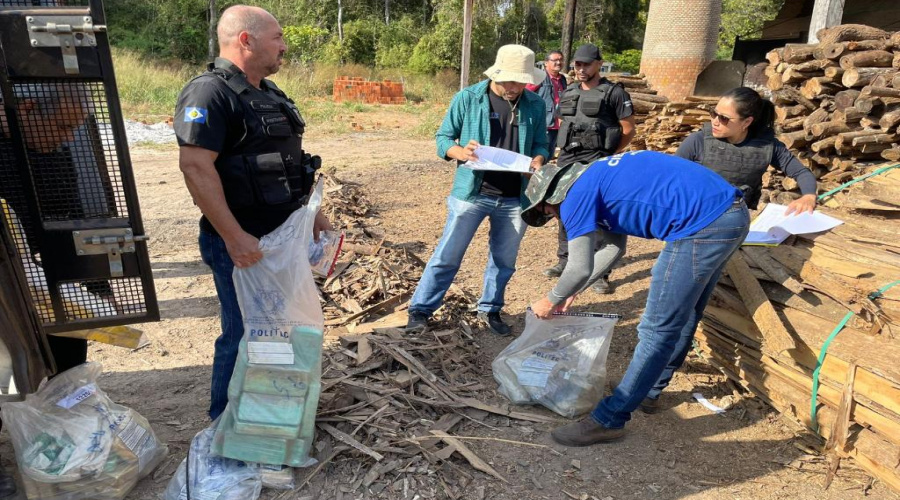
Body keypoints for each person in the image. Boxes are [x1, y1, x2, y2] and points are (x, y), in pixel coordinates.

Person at [521, 150, 750, 446]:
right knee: (686, 312)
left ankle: (609, 420)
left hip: (701, 226)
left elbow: (578, 265)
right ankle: (650, 390)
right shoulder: (595, 177)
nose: (554, 218)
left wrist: (551, 298)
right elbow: (614, 250)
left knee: (656, 330)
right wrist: (573, 291)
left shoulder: (574, 196)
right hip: (729, 213)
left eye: (547, 213)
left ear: (551, 199)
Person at [174, 5, 331, 420]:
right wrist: (232, 236)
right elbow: (195, 166)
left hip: (280, 240)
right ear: (246, 40)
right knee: (243, 332)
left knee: (279, 329)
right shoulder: (209, 93)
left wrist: (308, 213)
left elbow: (283, 162)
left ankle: (265, 413)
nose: (284, 46)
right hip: (243, 243)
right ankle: (224, 424)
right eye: (277, 37)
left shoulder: (268, 93)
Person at [404, 44, 549, 336]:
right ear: (496, 73)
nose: (515, 87)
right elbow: (443, 138)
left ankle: (490, 309)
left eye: (521, 82)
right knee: (448, 255)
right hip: (472, 193)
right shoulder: (468, 98)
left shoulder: (535, 104)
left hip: (514, 198)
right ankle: (420, 310)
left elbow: (541, 143)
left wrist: (538, 158)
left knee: (504, 261)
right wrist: (460, 152)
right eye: (510, 80)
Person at [543, 44, 635, 295]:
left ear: (598, 64)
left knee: (598, 215)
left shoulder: (614, 93)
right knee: (564, 212)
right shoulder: (569, 91)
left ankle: (599, 272)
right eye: (577, 64)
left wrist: (610, 156)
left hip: (597, 162)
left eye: (586, 64)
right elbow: (563, 122)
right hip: (568, 162)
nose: (581, 69)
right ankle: (565, 261)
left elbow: (628, 129)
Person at [676, 86, 817, 215]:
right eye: (714, 113)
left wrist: (809, 196)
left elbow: (801, 172)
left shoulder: (767, 145)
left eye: (724, 118)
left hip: (738, 221)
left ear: (746, 122)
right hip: (695, 218)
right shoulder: (697, 141)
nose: (715, 121)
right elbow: (670, 178)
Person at [526, 50, 566, 159]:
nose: (558, 62)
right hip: (543, 124)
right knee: (539, 155)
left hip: (557, 125)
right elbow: (525, 94)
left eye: (560, 60)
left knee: (549, 155)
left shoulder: (562, 79)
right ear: (546, 63)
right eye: (555, 60)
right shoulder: (539, 77)